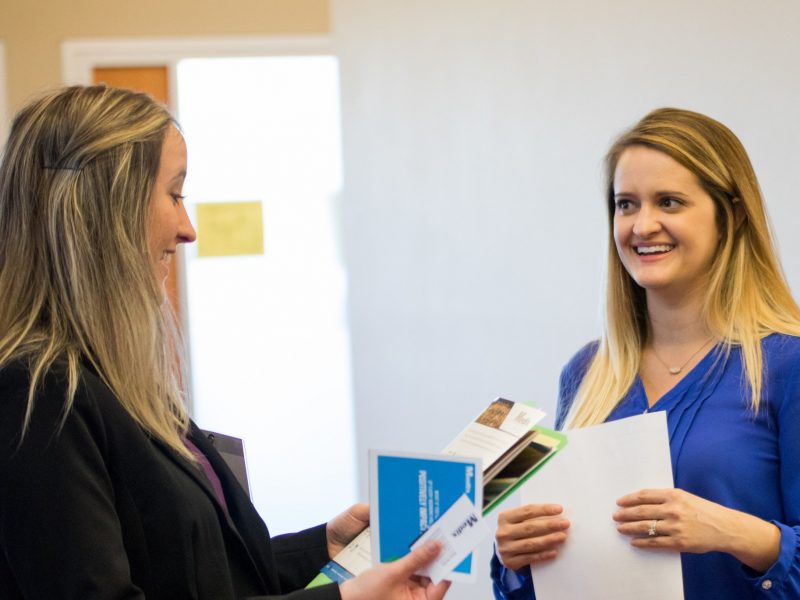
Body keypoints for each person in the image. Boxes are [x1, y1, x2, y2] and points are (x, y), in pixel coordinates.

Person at [0, 85, 450, 600]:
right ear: (108, 208)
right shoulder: (37, 394)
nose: (187, 229)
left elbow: (195, 571)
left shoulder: (110, 381)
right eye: (174, 195)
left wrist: (324, 549)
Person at [491, 108, 800, 599]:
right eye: (626, 204)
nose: (642, 225)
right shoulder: (588, 371)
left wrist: (735, 533)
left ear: (733, 215)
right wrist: (517, 561)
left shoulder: (787, 366)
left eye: (670, 202)